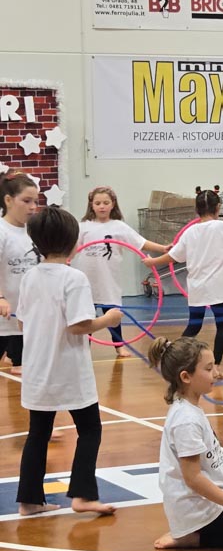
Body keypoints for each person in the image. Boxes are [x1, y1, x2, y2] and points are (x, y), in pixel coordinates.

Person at [15, 206, 121, 516]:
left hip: (37, 369)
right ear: (73, 242)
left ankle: (29, 500)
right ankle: (83, 495)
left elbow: (22, 321)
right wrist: (109, 319)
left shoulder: (30, 276)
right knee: (90, 429)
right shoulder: (74, 278)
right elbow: (79, 325)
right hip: (69, 369)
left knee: (38, 434)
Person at [148, 335, 223, 550]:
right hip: (196, 510)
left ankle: (194, 531)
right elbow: (193, 478)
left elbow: (207, 463)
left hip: (204, 501)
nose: (216, 373)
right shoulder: (186, 420)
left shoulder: (190, 409)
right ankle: (191, 536)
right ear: (186, 376)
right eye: (208, 368)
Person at [143, 188, 223, 373]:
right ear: (218, 207)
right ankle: (215, 367)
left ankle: (171, 352)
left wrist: (152, 261)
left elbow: (173, 256)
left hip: (197, 288)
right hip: (218, 288)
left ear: (196, 210)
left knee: (194, 326)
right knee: (222, 325)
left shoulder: (190, 232)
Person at [74, 186, 169, 358]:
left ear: (113, 204)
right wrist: (64, 259)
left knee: (113, 314)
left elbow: (141, 243)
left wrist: (163, 248)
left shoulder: (119, 227)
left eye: (105, 203)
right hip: (86, 280)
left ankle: (119, 346)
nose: (102, 206)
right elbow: (73, 247)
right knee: (86, 315)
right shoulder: (83, 227)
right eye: (98, 203)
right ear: (91, 205)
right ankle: (83, 349)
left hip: (109, 280)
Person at [0, 172, 40, 374]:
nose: (33, 207)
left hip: (25, 318)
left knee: (23, 372)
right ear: (8, 200)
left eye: (35, 201)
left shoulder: (34, 232)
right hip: (3, 318)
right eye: (26, 201)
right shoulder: (2, 231)